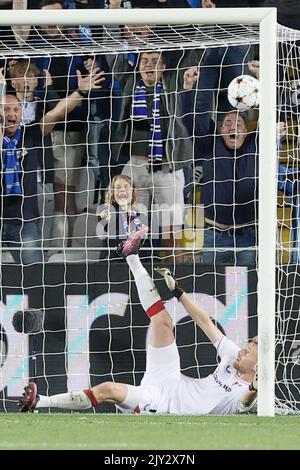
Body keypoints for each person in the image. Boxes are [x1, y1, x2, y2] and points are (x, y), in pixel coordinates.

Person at [19, 229, 258, 414]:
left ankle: (39, 401)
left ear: (259, 368)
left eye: (248, 351)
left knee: (108, 389)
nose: (241, 351)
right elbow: (206, 322)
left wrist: (255, 388)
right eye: (246, 346)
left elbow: (246, 403)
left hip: (165, 403)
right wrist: (179, 293)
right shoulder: (233, 355)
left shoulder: (244, 392)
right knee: (162, 320)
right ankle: (131, 256)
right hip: (171, 378)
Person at [0, 67, 104, 264]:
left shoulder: (31, 134)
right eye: (6, 109)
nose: (11, 113)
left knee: (36, 276)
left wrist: (80, 91)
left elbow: (58, 112)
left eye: (15, 109)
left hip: (24, 221)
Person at [96, 174, 147, 258]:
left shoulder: (140, 214)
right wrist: (105, 220)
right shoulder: (107, 211)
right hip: (112, 262)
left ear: (133, 191)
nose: (122, 190)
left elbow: (144, 242)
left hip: (135, 261)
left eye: (126, 187)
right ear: (113, 192)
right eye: (118, 187)